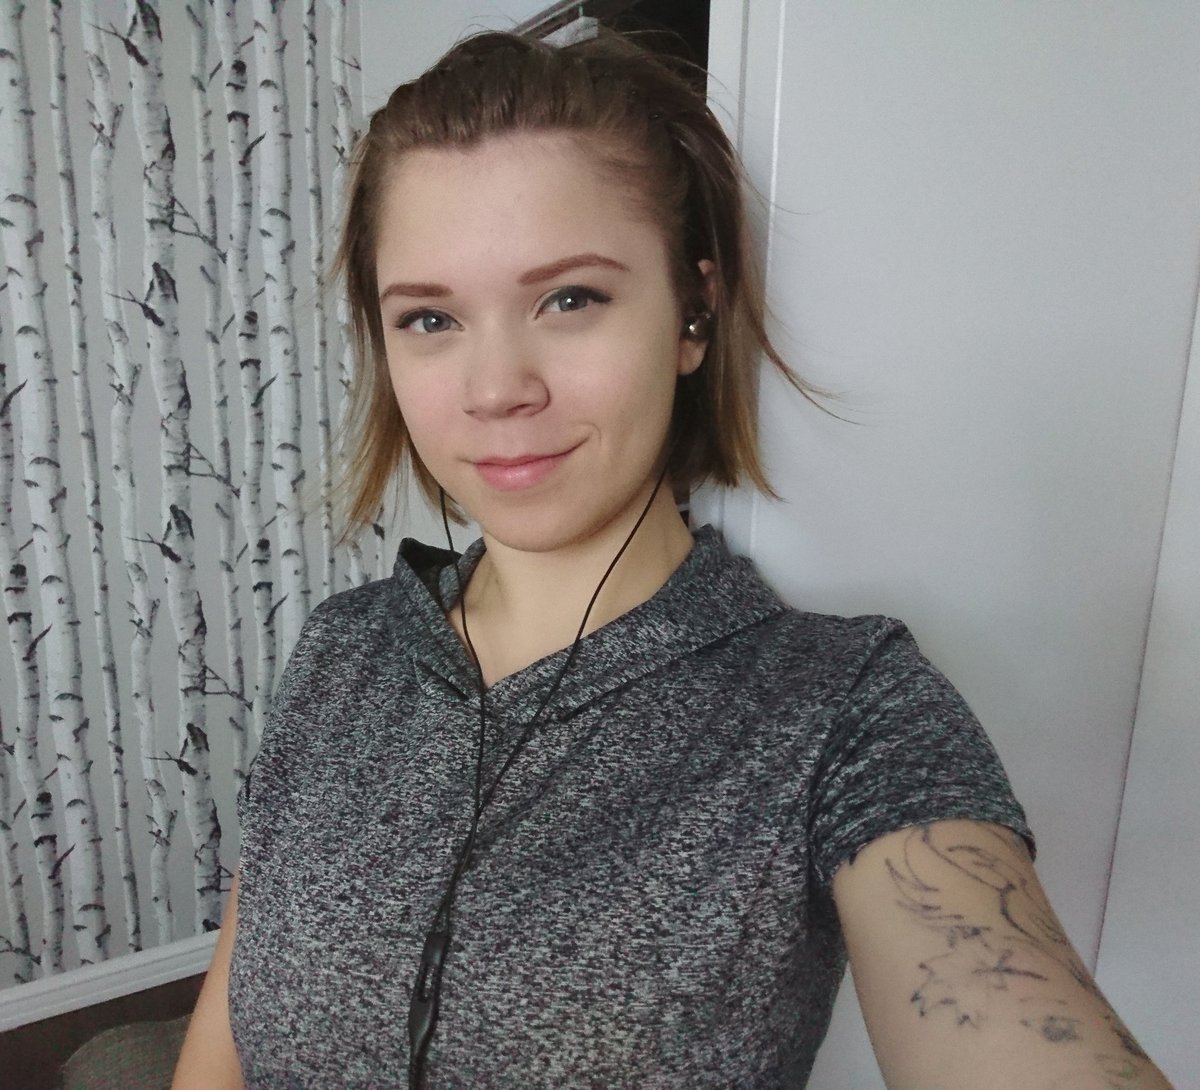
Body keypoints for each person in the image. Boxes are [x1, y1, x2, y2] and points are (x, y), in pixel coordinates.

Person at [172, 29, 1172, 1090]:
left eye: (570, 299)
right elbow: (222, 1045)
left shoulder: (842, 711)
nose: (496, 388)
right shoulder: (341, 654)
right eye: (430, 317)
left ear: (694, 312)